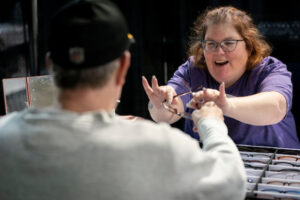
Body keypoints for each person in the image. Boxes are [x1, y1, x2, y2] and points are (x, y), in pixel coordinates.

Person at [0, 1, 246, 200]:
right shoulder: (158, 147)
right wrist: (211, 124)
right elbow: (231, 184)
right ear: (122, 67)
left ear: (50, 64)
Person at [143, 6, 300, 149]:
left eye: (229, 43)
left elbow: (275, 108)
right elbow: (166, 113)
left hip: (274, 164)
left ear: (249, 45)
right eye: (211, 44)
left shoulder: (269, 69)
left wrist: (225, 105)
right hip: (209, 163)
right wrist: (160, 104)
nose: (219, 52)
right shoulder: (193, 69)